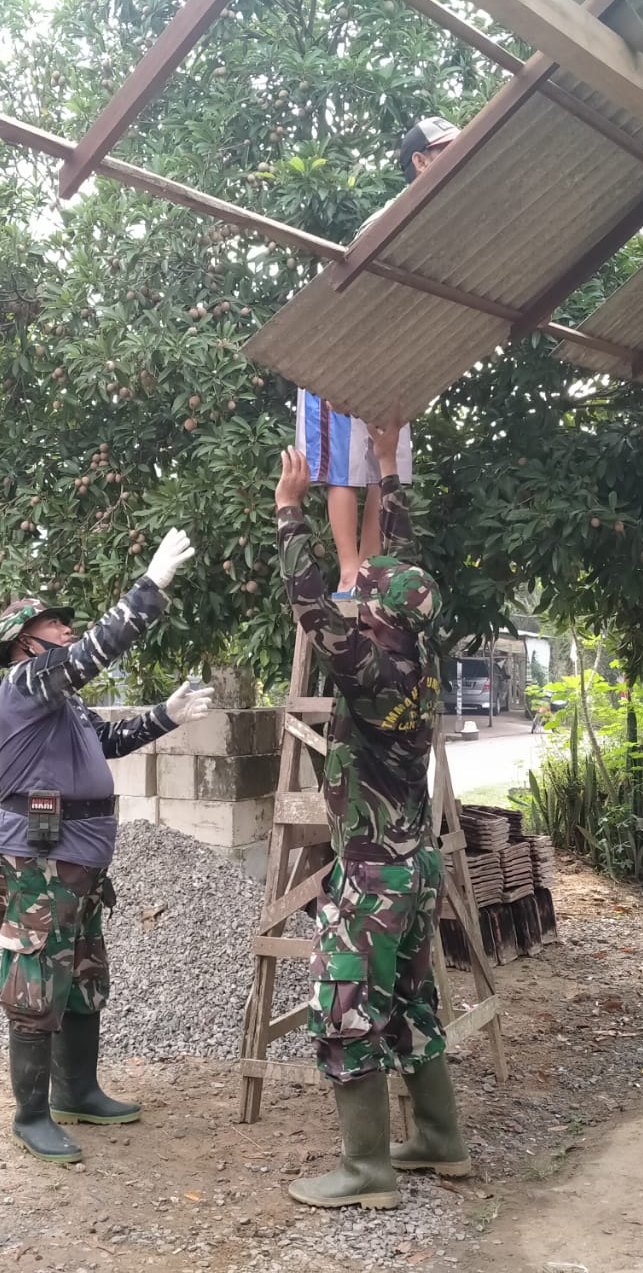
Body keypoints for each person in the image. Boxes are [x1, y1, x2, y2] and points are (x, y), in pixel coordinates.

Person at [274, 422, 470, 1210]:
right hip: (416, 866)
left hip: (374, 875)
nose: (358, 596)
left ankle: (365, 1172)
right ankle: (439, 1139)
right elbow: (402, 564)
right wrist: (390, 471)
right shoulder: (414, 653)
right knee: (411, 1002)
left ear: (379, 614)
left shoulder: (366, 666)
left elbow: (310, 605)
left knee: (346, 1008)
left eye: (368, 595)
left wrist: (291, 513)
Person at [0, 527, 214, 1165]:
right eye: (55, 627)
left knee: (83, 974)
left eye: (65, 625)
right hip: (36, 861)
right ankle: (31, 1114)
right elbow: (92, 652)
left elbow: (111, 741)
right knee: (35, 978)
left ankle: (78, 1090)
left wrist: (168, 714)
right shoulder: (26, 684)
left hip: (80, 860)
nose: (66, 632)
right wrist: (150, 587)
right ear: (25, 643)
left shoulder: (63, 704)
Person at [295, 116, 459, 596]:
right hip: (340, 345)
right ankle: (349, 571)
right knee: (342, 466)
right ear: (421, 161)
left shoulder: (446, 220)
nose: (456, 156)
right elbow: (348, 276)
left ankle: (369, 568)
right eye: (445, 150)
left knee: (378, 466)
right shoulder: (393, 215)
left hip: (392, 356)